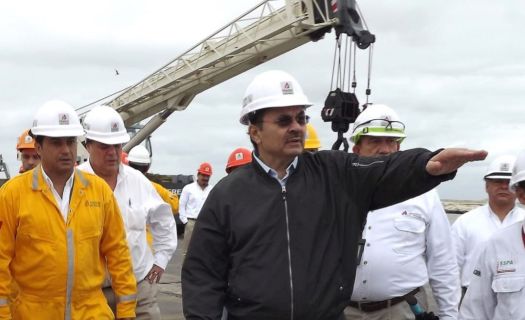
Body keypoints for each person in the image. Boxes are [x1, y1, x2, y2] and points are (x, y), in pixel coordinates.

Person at [181, 70, 487, 319]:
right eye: (284, 120)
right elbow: (203, 274)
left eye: (301, 118)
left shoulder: (333, 173)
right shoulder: (228, 195)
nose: (296, 127)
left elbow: (383, 169)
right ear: (255, 130)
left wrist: (426, 164)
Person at [0, 100, 137, 320]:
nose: (66, 150)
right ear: (38, 147)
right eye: (56, 143)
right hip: (32, 313)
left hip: (91, 312)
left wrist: (127, 310)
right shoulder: (12, 195)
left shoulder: (99, 192)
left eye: (71, 142)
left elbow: (118, 254)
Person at [344, 104, 459, 320]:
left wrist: (449, 316)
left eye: (391, 141)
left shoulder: (425, 194)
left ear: (399, 148)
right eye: (375, 141)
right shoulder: (336, 189)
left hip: (403, 310)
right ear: (356, 149)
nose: (385, 149)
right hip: (341, 311)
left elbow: (443, 262)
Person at [77, 105, 177, 320]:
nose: (113, 152)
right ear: (88, 146)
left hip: (138, 290)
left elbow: (164, 220)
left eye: (117, 145)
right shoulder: (73, 185)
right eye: (105, 146)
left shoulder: (138, 181)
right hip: (91, 295)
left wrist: (160, 261)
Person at [459, 150, 525, 320]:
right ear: (521, 194)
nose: (503, 186)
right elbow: (474, 312)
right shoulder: (495, 240)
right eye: (497, 181)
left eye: (507, 182)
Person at [127, 144, 181, 240]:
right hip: (146, 242)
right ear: (147, 167)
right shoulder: (154, 188)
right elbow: (175, 206)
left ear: (128, 164)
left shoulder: (116, 185)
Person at [179, 162, 213, 251]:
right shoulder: (188, 188)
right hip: (191, 223)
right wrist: (185, 222)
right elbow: (181, 206)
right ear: (198, 175)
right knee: (187, 251)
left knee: (205, 250)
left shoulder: (212, 189)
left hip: (206, 223)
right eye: (203, 175)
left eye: (207, 176)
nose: (205, 178)